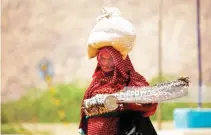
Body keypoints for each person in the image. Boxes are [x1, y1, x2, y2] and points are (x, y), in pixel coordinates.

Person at [78, 7, 158, 135]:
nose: (105, 63)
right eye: (102, 59)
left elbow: (150, 104)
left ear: (119, 60)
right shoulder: (96, 83)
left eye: (110, 59)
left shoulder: (132, 81)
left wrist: (126, 106)